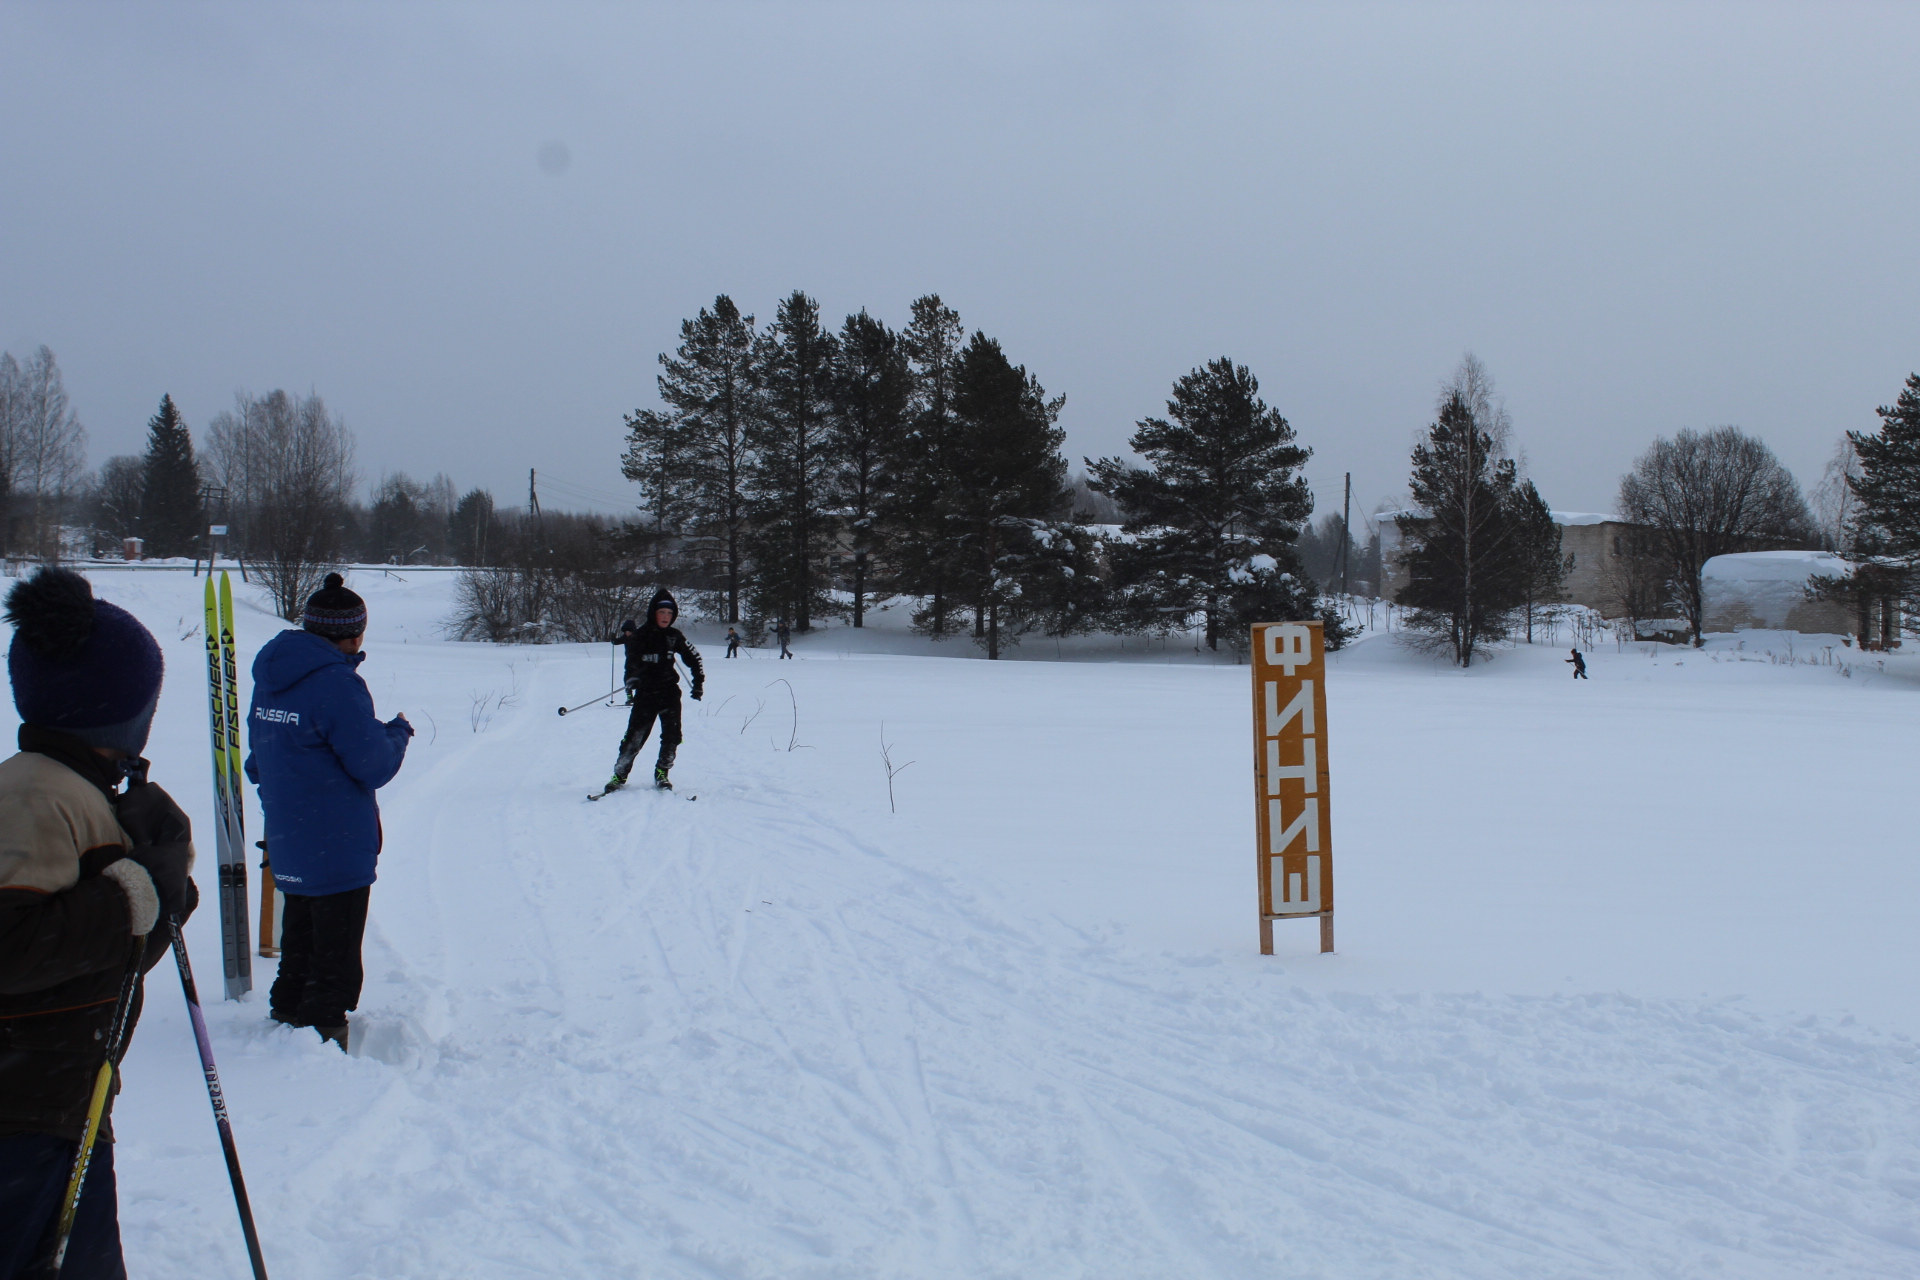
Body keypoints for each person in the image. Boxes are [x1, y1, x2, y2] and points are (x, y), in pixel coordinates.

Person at [0, 567, 198, 1279]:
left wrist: (169, 880)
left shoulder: (76, 790)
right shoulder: (32, 796)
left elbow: (107, 953)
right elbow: (14, 946)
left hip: (65, 1096)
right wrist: (135, 891)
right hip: (24, 1111)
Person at [246, 573, 412, 1053]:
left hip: (288, 835)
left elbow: (260, 760)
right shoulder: (337, 682)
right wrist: (397, 732)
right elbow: (372, 764)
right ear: (354, 633)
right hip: (336, 840)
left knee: (299, 932)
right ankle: (321, 1034)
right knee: (335, 952)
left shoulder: (273, 677)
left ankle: (288, 1009)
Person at [607, 589, 703, 792]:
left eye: (670, 614)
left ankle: (662, 772)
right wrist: (632, 679)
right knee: (635, 736)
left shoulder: (674, 636)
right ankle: (619, 774)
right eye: (662, 613)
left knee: (672, 736)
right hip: (647, 694)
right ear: (653, 613)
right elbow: (631, 661)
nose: (666, 617)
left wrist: (698, 682)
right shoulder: (641, 635)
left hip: (669, 693)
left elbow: (694, 658)